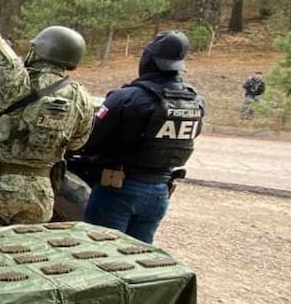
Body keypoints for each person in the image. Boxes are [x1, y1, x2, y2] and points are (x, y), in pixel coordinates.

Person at [0, 0, 96, 227]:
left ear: (39, 51)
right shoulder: (80, 96)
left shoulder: (18, 81)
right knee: (23, 258)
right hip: (42, 191)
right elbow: (77, 143)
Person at [81, 31, 206, 243]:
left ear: (148, 60)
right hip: (160, 191)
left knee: (99, 255)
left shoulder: (126, 98)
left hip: (118, 189)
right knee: (137, 257)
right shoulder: (195, 102)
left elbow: (89, 140)